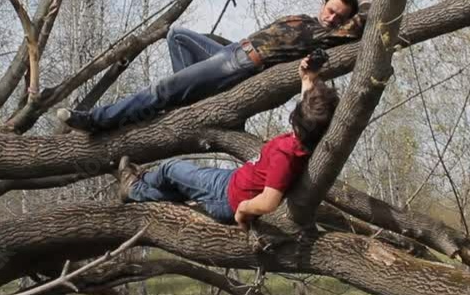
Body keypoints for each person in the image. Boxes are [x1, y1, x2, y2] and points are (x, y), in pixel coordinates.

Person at [57, 0, 367, 133]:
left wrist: (362, 0)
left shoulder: (325, 37)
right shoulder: (303, 19)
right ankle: (189, 102)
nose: (331, 17)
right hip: (230, 50)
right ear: (323, 3)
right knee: (176, 34)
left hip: (240, 64)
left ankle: (95, 120)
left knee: (162, 89)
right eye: (330, 9)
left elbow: (364, 22)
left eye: (339, 16)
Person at [115, 56, 338, 228]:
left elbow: (269, 201)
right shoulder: (312, 139)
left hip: (226, 197)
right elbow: (311, 114)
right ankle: (143, 186)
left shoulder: (286, 155)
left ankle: (136, 187)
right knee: (180, 190)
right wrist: (308, 79)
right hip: (233, 181)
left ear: (299, 120)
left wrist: (243, 209)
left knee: (170, 169)